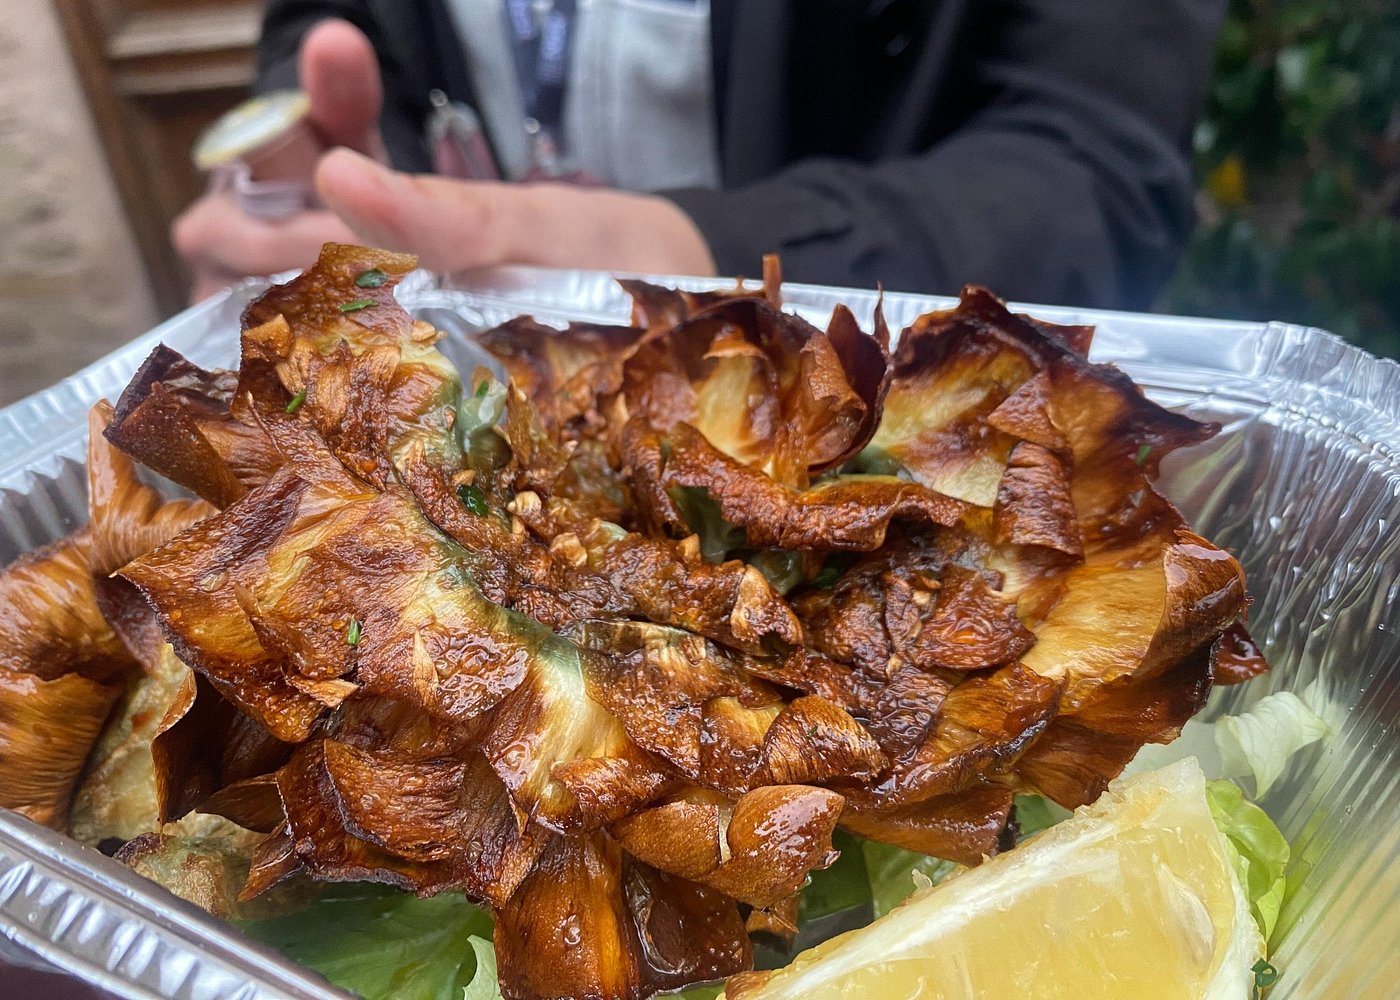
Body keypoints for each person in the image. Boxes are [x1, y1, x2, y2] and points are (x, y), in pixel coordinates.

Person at [174, 0, 1224, 309]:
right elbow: (329, 28)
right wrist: (319, 176)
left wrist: (707, 253)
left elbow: (1093, 166)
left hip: (891, 473)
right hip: (475, 412)